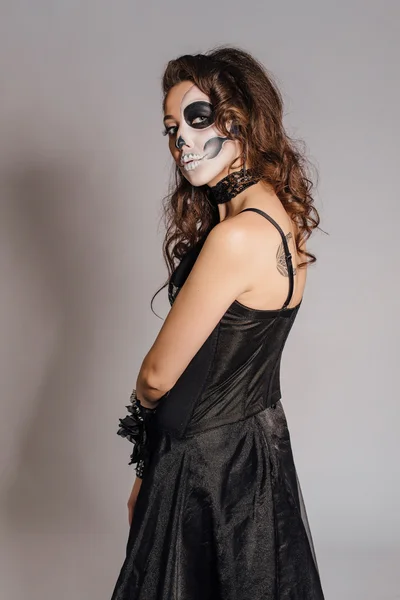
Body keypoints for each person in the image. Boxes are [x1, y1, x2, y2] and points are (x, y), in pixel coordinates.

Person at [110, 45, 325, 600]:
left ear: (242, 118)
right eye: (170, 127)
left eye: (198, 118)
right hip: (253, 455)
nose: (180, 139)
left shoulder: (236, 236)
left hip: (203, 466)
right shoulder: (279, 221)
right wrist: (145, 468)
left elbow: (159, 375)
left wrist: (145, 427)